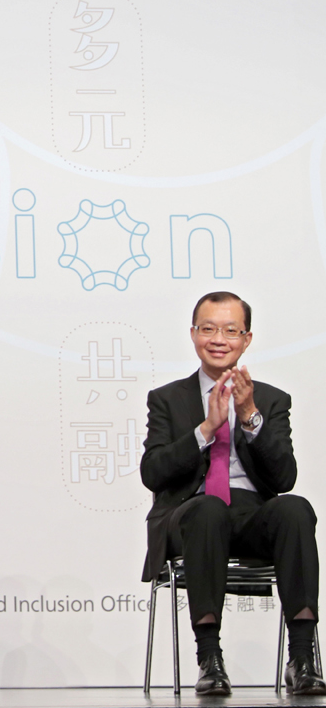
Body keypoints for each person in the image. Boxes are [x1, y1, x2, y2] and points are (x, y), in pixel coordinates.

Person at [140, 291, 325, 695]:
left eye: (230, 330)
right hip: (189, 517)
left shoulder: (271, 400)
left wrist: (249, 417)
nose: (218, 338)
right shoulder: (168, 399)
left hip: (249, 516)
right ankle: (210, 659)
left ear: (246, 338)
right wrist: (205, 430)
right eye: (208, 329)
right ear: (193, 334)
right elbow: (153, 474)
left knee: (295, 508)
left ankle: (302, 658)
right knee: (208, 511)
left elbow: (283, 478)